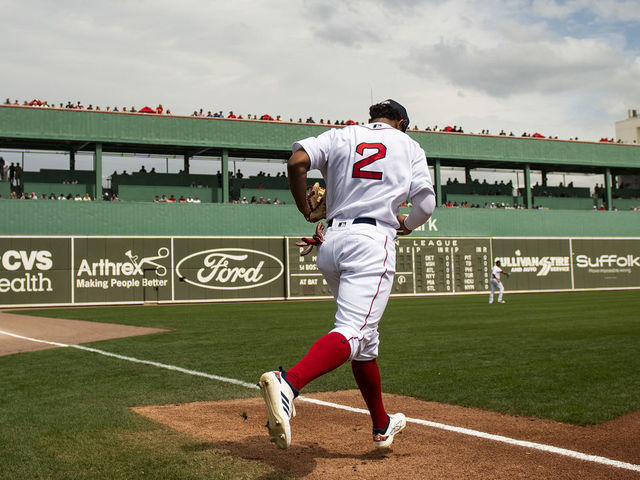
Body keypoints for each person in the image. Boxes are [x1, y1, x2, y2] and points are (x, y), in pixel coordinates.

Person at [258, 99, 436, 450]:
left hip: (332, 241)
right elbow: (426, 205)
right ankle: (288, 384)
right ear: (401, 122)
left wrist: (304, 207)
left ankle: (382, 425)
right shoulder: (409, 145)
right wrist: (407, 225)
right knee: (354, 331)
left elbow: (297, 163)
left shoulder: (341, 135)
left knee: (366, 342)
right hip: (372, 240)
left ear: (372, 118)